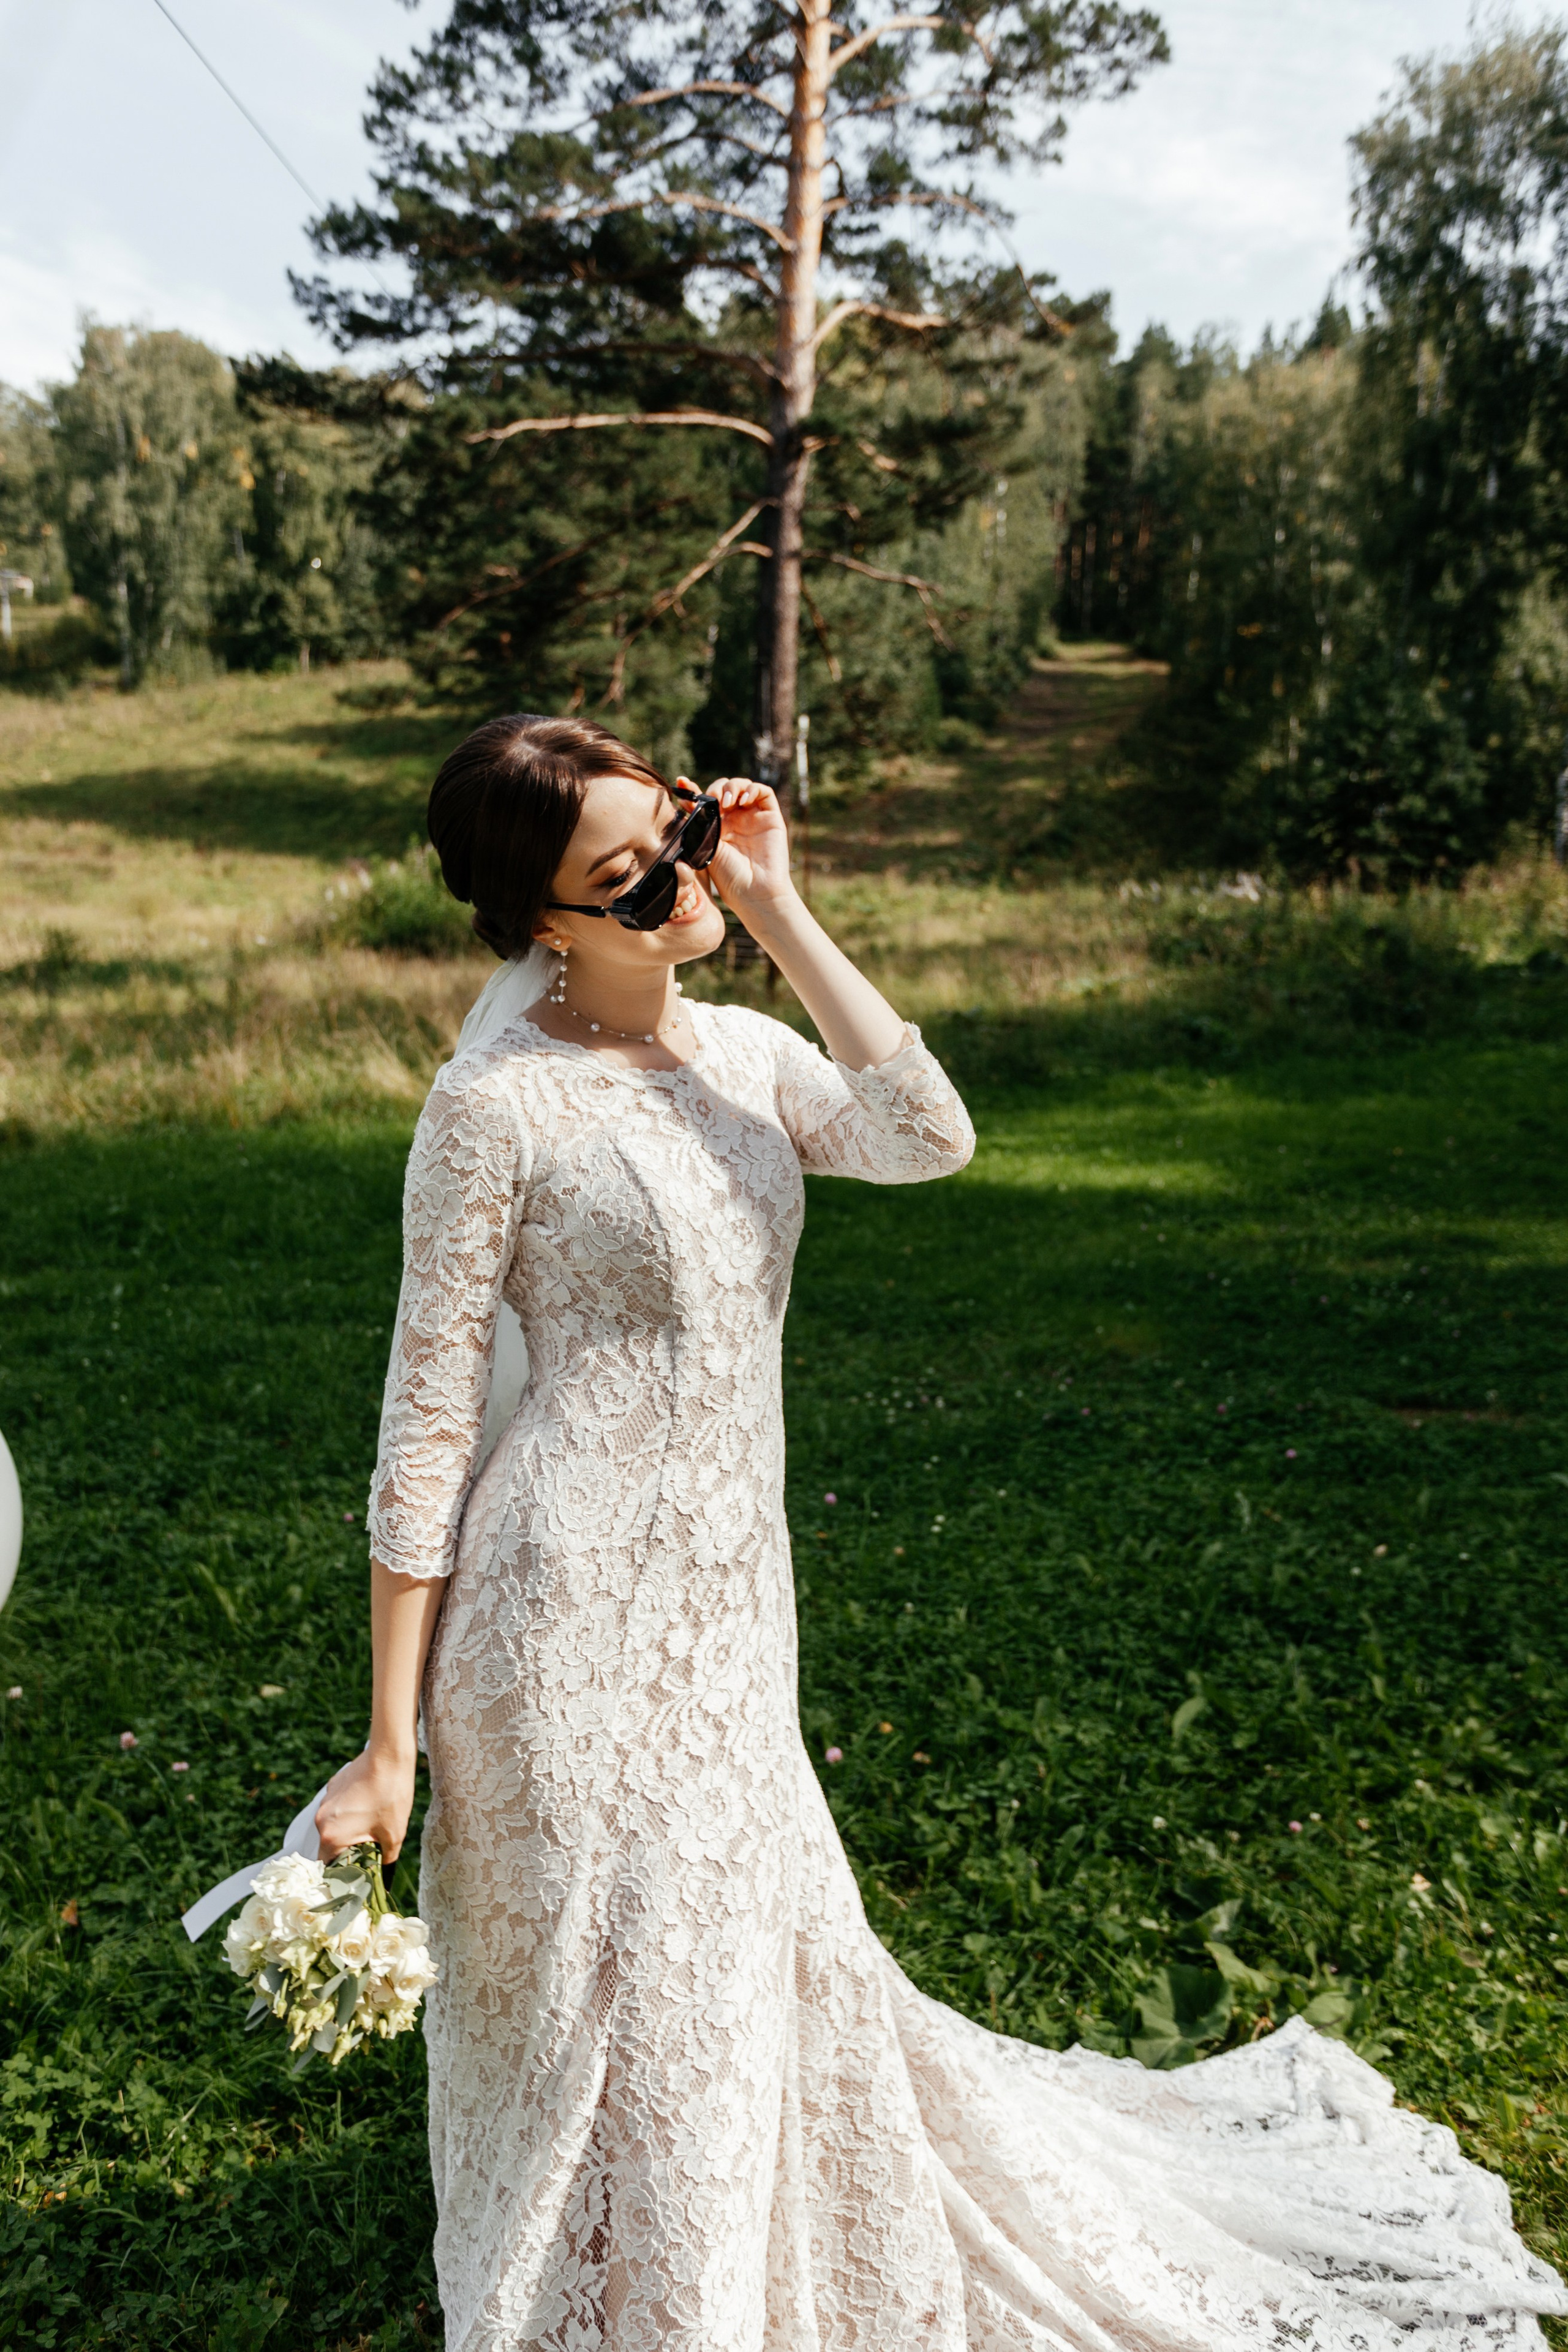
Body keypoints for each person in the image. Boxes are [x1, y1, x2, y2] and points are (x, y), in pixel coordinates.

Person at [315, 715, 1564, 2352]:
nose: (672, 890)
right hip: (553, 1627)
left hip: (729, 1602)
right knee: (606, 1999)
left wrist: (771, 900)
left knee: (721, 1961)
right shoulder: (496, 1111)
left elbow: (928, 1132)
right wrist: (389, 1742)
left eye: (678, 839)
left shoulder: (749, 1054)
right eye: (629, 883)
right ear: (542, 922)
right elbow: (422, 1428)